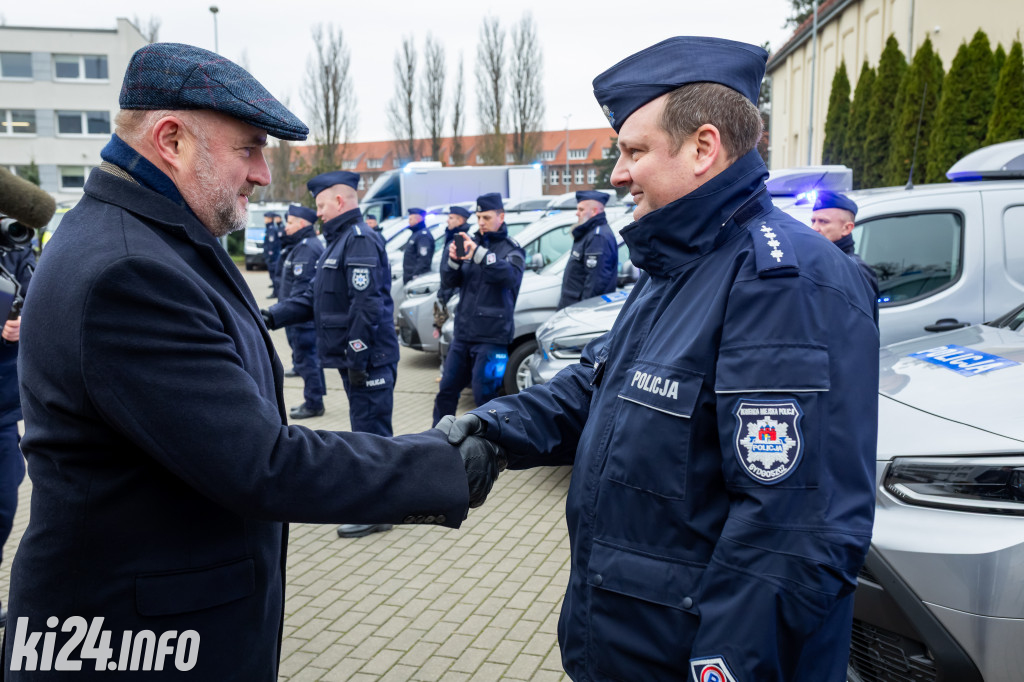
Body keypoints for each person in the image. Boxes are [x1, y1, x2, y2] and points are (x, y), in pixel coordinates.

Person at [6, 43, 471, 680]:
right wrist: (447, 461)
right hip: (137, 640)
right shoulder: (128, 268)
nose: (261, 175)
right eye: (248, 148)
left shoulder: (151, 237)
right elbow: (262, 464)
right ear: (171, 139)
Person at [437, 36, 880, 681]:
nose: (617, 173)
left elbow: (792, 533)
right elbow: (597, 387)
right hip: (628, 647)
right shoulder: (676, 264)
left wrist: (720, 672)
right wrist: (493, 430)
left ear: (704, 148)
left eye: (633, 150)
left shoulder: (781, 284)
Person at [264, 170, 400, 539]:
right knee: (365, 431)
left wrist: (357, 358)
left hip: (367, 360)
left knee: (372, 437)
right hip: (355, 361)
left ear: (339, 202)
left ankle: (380, 510)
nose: (318, 213)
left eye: (321, 205)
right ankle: (376, 502)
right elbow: (313, 298)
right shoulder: (338, 243)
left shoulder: (358, 241)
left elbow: (366, 308)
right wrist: (271, 317)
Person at [431, 193, 525, 426]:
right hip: (463, 334)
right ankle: (436, 442)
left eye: (486, 217)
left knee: (485, 397)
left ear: (501, 216)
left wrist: (479, 255)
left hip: (492, 337)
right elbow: (449, 282)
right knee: (446, 391)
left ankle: (487, 449)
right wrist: (453, 261)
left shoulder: (511, 249)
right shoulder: (471, 243)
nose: (481, 222)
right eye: (478, 216)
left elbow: (509, 277)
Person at [0, 244, 34, 629]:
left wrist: (22, 320)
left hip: (3, 413)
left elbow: (38, 293)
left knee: (4, 507)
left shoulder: (15, 249)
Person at [278, 204, 326, 419]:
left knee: (307, 360)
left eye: (289, 223)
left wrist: (286, 313)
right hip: (297, 316)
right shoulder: (303, 245)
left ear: (301, 224)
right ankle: (315, 398)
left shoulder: (307, 247)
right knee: (310, 359)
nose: (286, 228)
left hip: (301, 318)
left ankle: (313, 403)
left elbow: (301, 288)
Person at [557, 190, 619, 310]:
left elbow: (596, 283)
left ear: (594, 211)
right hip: (572, 306)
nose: (577, 213)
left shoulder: (598, 237)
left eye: (581, 209)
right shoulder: (589, 232)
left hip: (580, 309)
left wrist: (583, 311)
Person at [811, 190, 879, 294]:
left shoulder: (855, 271)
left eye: (823, 221)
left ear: (847, 228)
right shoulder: (815, 260)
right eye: (813, 221)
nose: (814, 228)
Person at [434, 205, 472, 331]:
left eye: (451, 218)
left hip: (453, 297)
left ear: (460, 221)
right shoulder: (452, 238)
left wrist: (448, 297)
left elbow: (458, 273)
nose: (447, 221)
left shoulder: (460, 240)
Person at [402, 207, 435, 283]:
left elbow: (424, 258)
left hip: (416, 277)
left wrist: (416, 275)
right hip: (410, 275)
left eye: (411, 219)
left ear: (418, 219)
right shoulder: (416, 234)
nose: (409, 222)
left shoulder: (423, 236)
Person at [263, 210, 282, 298]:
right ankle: (276, 292)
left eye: (266, 218)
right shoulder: (270, 228)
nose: (264, 220)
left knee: (274, 276)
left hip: (273, 257)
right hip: (272, 257)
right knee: (273, 276)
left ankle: (276, 293)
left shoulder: (271, 229)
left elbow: (272, 244)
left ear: (270, 219)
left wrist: (270, 256)